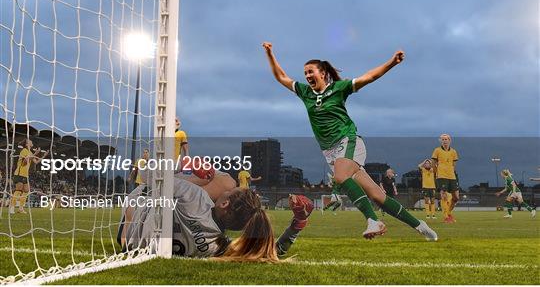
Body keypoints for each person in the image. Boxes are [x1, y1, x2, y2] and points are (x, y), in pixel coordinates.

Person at [262, 41, 437, 241]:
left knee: (340, 176)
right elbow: (281, 77)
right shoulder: (306, 92)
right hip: (330, 152)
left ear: (323, 73)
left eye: (311, 71)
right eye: (305, 73)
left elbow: (369, 77)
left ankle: (372, 221)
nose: (308, 76)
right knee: (378, 197)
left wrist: (392, 63)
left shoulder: (339, 88)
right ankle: (421, 226)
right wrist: (270, 53)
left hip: (348, 141)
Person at [118, 168, 314, 261]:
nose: (224, 193)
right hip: (130, 244)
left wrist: (193, 175)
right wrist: (297, 224)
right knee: (223, 182)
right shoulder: (218, 247)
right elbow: (269, 252)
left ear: (225, 202)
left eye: (227, 194)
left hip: (135, 210)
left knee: (225, 181)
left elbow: (145, 175)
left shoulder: (197, 198)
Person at [9, 139, 48, 214]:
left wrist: (44, 155)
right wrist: (35, 153)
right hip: (19, 173)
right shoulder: (24, 150)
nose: (31, 142)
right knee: (18, 190)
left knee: (26, 191)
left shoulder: (29, 152)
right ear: (27, 144)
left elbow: (36, 162)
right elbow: (24, 163)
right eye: (30, 141)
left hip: (25, 175)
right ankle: (12, 207)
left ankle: (20, 208)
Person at [431, 134, 459, 223]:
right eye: (443, 139)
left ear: (449, 140)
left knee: (456, 197)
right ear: (440, 141)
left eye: (446, 139)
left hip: (452, 176)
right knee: (444, 195)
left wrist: (452, 172)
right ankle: (446, 217)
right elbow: (433, 163)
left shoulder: (453, 152)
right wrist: (437, 173)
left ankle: (449, 212)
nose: (444, 141)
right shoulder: (437, 150)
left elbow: (454, 165)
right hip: (441, 176)